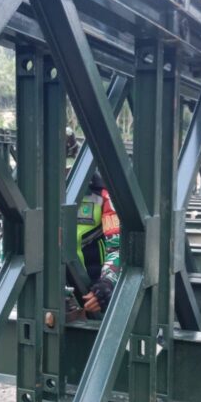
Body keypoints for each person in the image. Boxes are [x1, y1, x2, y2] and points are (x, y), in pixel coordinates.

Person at [65, 127, 120, 316]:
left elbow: (118, 246)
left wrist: (105, 284)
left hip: (89, 292)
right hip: (43, 292)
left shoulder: (102, 195)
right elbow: (8, 243)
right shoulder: (30, 192)